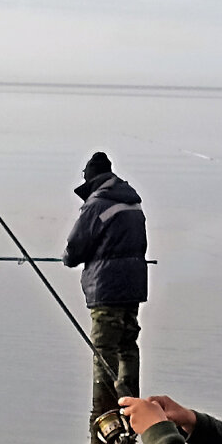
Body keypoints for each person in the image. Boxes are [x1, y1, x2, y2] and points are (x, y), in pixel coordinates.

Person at [64, 151, 148, 406]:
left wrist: (67, 258)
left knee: (104, 350)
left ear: (91, 179)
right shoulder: (132, 200)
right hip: (133, 286)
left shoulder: (98, 203)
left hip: (107, 289)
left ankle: (104, 410)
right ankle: (132, 408)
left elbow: (75, 247)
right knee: (127, 345)